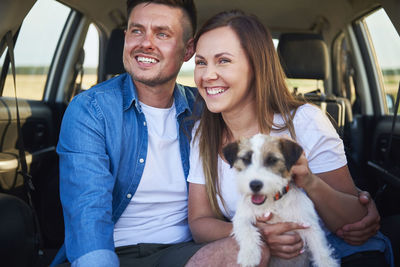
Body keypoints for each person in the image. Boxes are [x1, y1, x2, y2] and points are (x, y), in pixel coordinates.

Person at [51, 1, 270, 266]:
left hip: (185, 252)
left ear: (188, 50)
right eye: (137, 31)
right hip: (116, 252)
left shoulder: (207, 110)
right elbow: (87, 215)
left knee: (249, 251)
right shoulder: (91, 110)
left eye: (162, 34)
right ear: (125, 38)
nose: (146, 43)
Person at [187, 10, 394, 266]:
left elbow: (355, 223)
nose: (207, 75)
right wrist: (260, 235)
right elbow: (199, 224)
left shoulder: (305, 122)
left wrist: (309, 181)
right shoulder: (203, 134)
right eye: (200, 62)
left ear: (256, 67)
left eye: (223, 61)